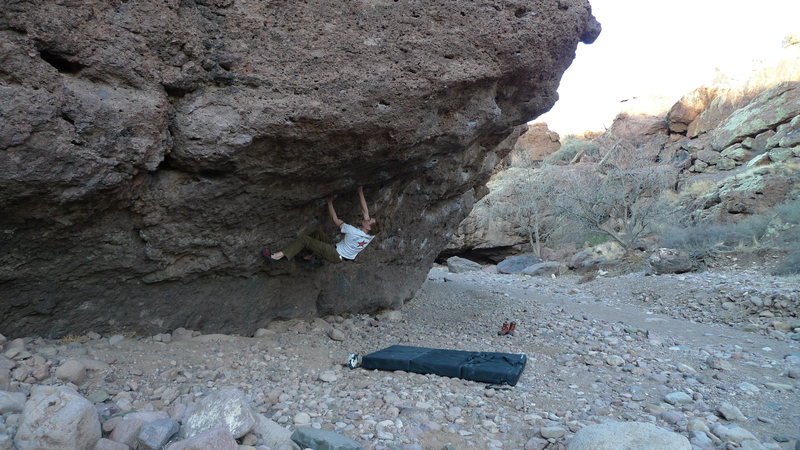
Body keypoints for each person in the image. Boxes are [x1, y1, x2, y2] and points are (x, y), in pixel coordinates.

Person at [262, 186, 380, 264]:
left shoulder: (353, 231)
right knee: (318, 234)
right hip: (340, 254)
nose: (367, 219)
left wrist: (329, 203)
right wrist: (360, 191)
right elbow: (366, 211)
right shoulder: (371, 234)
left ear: (368, 227)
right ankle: (307, 257)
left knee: (305, 240)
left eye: (369, 221)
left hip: (335, 254)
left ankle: (275, 257)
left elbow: (335, 219)